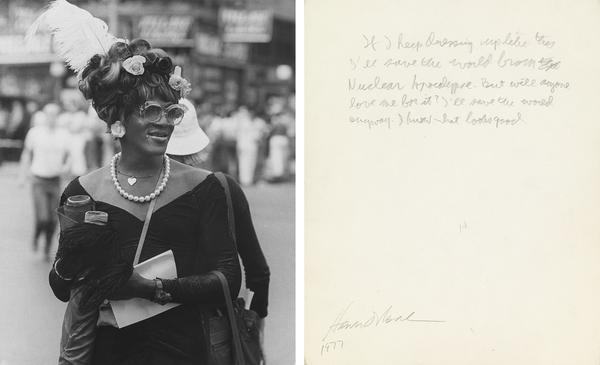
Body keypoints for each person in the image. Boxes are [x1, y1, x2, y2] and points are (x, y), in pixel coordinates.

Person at [48, 38, 249, 364]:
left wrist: (149, 287)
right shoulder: (84, 191)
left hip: (184, 351)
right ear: (119, 118)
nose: (163, 122)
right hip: (108, 353)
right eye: (150, 110)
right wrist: (73, 260)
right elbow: (61, 287)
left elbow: (228, 278)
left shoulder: (203, 187)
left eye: (171, 112)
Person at [167, 99, 271, 352]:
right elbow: (259, 272)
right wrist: (253, 325)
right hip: (210, 330)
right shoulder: (223, 187)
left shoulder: (130, 191)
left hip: (148, 332)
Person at [18, 103, 71, 260]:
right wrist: (22, 175)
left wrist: (66, 168)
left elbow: (69, 156)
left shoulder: (64, 135)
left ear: (58, 117)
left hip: (55, 181)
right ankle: (36, 235)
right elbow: (26, 154)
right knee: (42, 217)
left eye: (55, 114)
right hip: (38, 180)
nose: (51, 118)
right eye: (49, 114)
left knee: (53, 219)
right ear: (44, 115)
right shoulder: (35, 133)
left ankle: (47, 246)